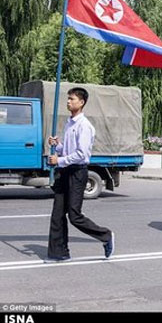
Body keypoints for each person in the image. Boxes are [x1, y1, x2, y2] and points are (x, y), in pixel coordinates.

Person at [46, 87, 114, 262]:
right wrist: (58, 145)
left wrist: (59, 161)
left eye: (72, 99)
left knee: (74, 215)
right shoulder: (70, 123)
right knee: (57, 214)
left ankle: (105, 235)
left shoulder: (85, 126)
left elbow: (81, 154)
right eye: (68, 99)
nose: (68, 102)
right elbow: (69, 150)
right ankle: (59, 253)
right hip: (66, 171)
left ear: (81, 102)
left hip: (78, 172)